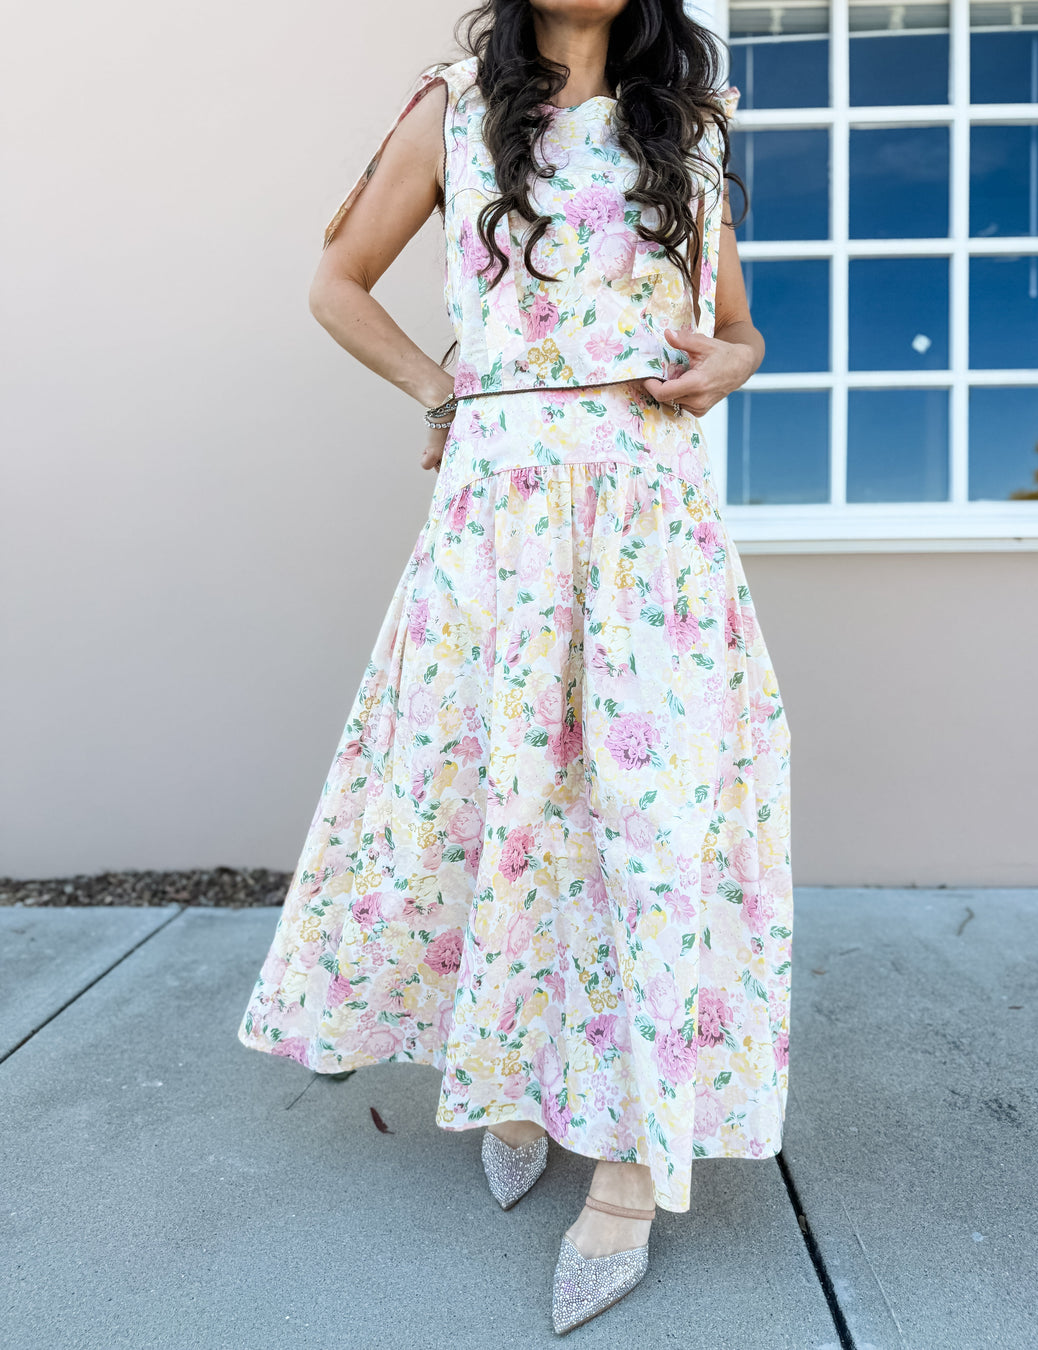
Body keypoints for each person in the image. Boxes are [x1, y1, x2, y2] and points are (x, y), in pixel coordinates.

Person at [238, 0, 792, 1334]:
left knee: (646, 826)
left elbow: (739, 330)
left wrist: (724, 366)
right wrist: (440, 387)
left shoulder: (691, 131)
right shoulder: (456, 109)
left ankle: (628, 1165)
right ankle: (515, 1076)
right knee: (504, 808)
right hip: (498, 521)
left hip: (650, 521)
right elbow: (336, 282)